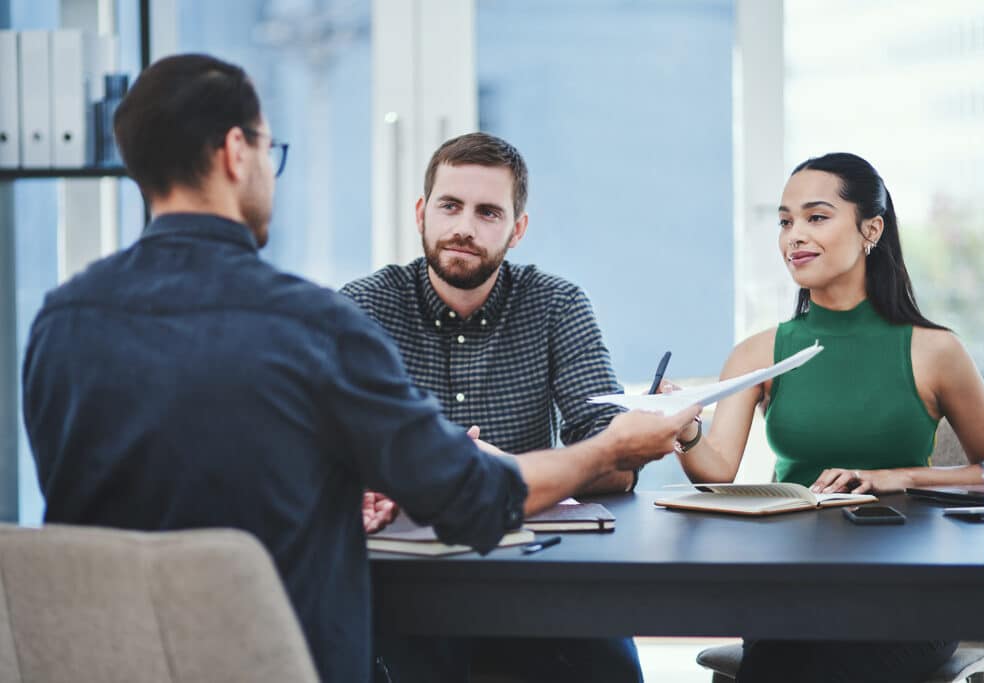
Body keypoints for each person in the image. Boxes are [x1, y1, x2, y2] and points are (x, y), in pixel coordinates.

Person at [19, 54, 700, 683]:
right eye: (268, 150)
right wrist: (611, 445)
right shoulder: (314, 326)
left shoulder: (58, 322)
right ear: (235, 152)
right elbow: (472, 495)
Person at [666, 152, 984, 682]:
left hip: (909, 594)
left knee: (836, 664)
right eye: (785, 221)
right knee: (790, 659)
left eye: (816, 217)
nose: (794, 235)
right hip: (793, 590)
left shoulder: (935, 351)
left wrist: (902, 477)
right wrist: (685, 430)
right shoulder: (761, 352)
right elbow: (717, 472)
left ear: (872, 228)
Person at [342, 132, 643, 682]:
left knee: (608, 670)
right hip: (402, 582)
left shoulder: (558, 303)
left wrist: (498, 468)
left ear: (517, 228)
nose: (464, 227)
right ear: (421, 213)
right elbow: (328, 450)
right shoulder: (362, 306)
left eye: (488, 212)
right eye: (450, 206)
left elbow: (616, 457)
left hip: (538, 572)